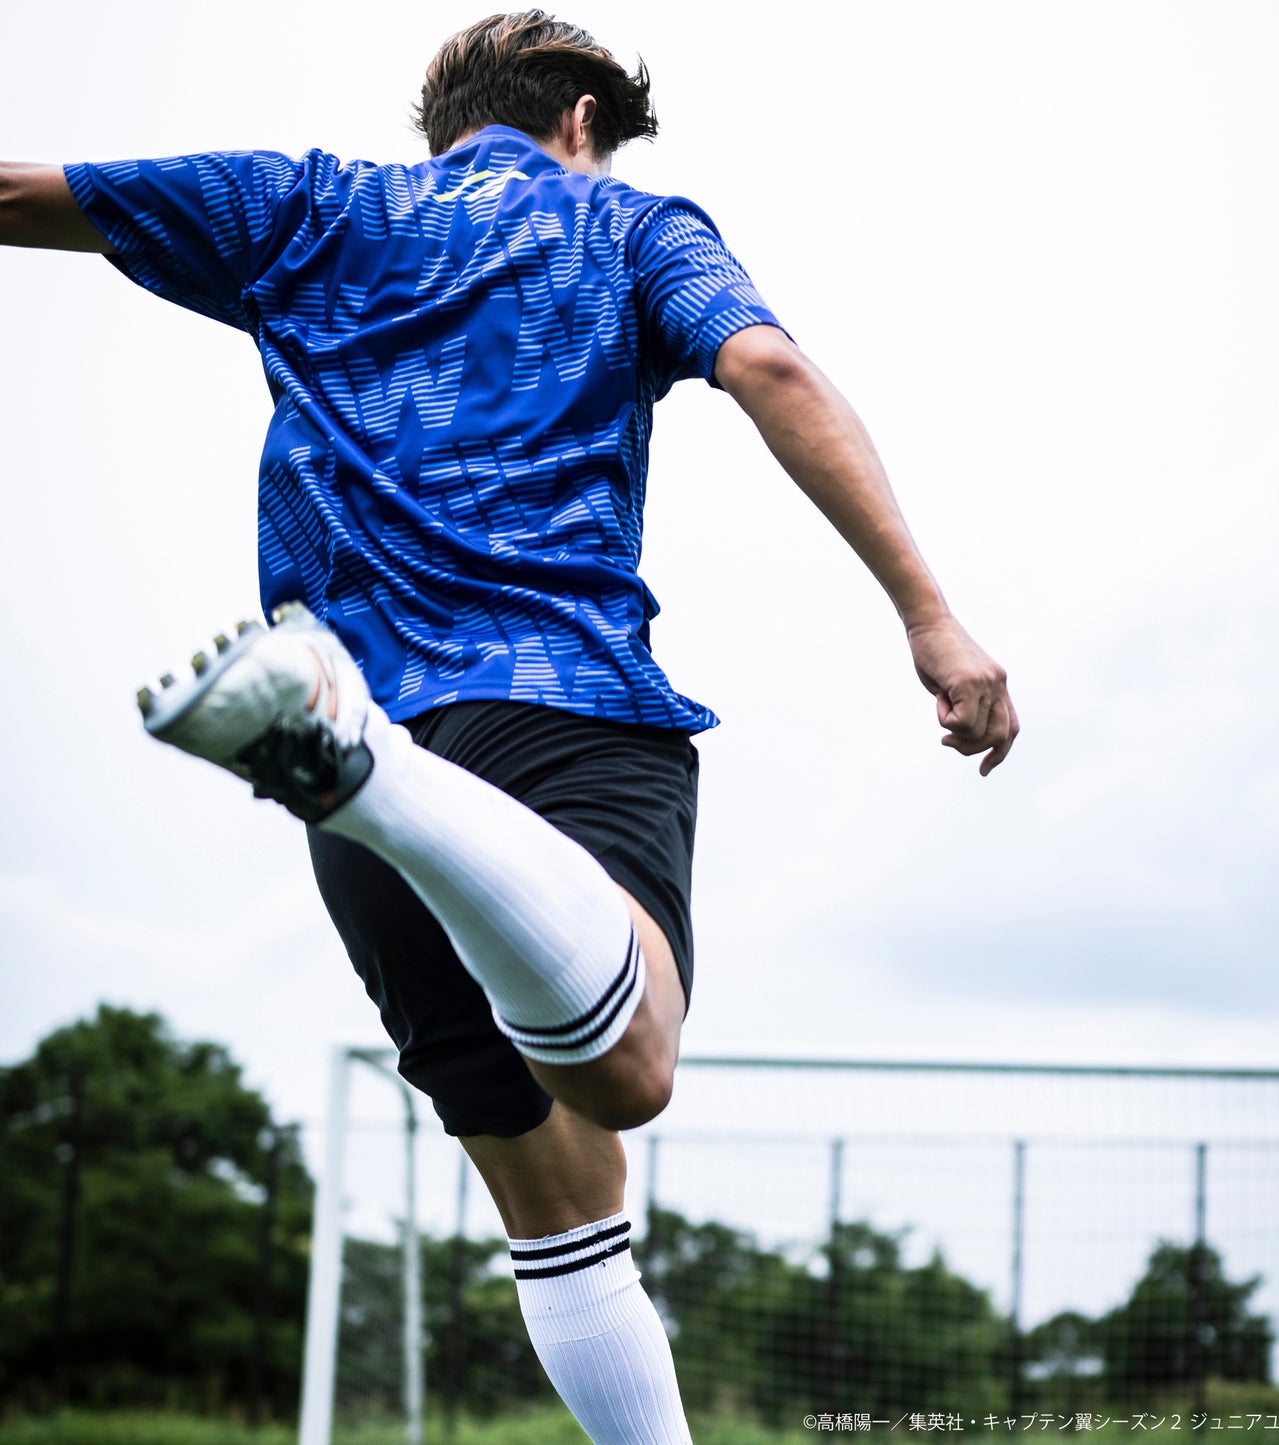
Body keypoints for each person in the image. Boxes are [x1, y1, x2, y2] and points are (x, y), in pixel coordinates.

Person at [0, 10, 1018, 1440]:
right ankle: (374, 776)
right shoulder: (624, 224)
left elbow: (18, 192)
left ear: (445, 118)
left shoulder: (305, 205)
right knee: (628, 1068)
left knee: (568, 1212)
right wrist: (929, 612)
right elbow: (772, 370)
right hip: (554, 706)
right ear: (582, 118)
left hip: (348, 750)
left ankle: (363, 774)